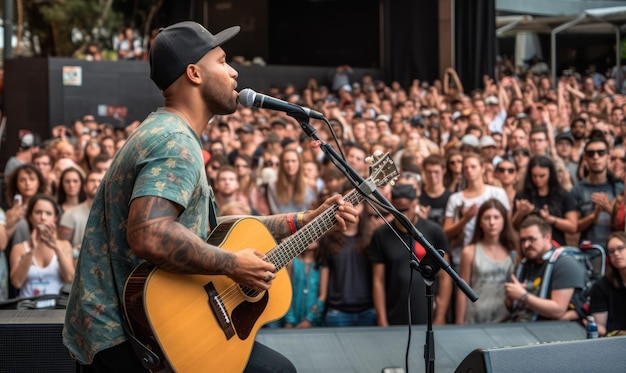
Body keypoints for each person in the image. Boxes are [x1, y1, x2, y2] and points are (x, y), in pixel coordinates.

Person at [62, 21, 357, 373]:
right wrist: (232, 265)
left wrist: (302, 221)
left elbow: (213, 232)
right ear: (194, 73)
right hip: (131, 338)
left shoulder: (167, 131)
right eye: (222, 61)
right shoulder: (175, 141)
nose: (234, 72)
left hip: (134, 331)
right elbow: (149, 234)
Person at [368, 183, 452, 326]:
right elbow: (378, 280)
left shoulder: (433, 231)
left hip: (427, 314)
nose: (401, 214)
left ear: (415, 205)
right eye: (396, 209)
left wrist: (440, 316)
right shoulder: (381, 235)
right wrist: (382, 319)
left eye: (405, 209)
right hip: (394, 313)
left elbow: (445, 277)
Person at [505, 215, 586, 322]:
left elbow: (558, 310)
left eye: (532, 239)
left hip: (557, 330)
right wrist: (511, 297)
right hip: (523, 325)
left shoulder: (564, 263)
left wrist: (523, 296)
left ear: (547, 238)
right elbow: (511, 307)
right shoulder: (523, 265)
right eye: (523, 240)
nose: (526, 245)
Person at [456, 199, 517, 324]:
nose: (492, 222)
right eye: (487, 218)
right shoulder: (469, 252)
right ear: (480, 222)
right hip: (475, 318)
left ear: (504, 221)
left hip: (505, 319)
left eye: (496, 217)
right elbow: (462, 291)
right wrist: (459, 322)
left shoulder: (513, 251)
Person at [9, 194, 74, 309]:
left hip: (56, 310)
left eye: (48, 213)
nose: (43, 217)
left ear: (55, 217)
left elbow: (69, 278)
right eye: (38, 212)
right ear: (30, 216)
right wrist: (31, 250)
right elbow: (17, 283)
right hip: (26, 311)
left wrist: (56, 248)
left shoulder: (64, 245)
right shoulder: (19, 248)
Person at [511, 155, 577, 247]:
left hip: (555, 245)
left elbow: (573, 227)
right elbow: (514, 226)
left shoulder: (563, 195)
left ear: (550, 174)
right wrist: (521, 213)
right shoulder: (522, 196)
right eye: (534, 176)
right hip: (529, 246)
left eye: (542, 176)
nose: (537, 179)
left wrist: (551, 219)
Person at [571, 137, 624, 246]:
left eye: (601, 153)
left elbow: (623, 223)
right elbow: (573, 228)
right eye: (591, 154)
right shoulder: (577, 189)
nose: (596, 157)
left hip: (616, 251)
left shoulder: (619, 187)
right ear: (585, 158)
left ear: (608, 157)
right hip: (588, 251)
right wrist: (593, 216)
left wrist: (609, 208)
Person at [589, 232, 626, 336]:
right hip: (614, 341)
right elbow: (600, 327)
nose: (616, 254)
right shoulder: (601, 286)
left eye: (620, 248)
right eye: (611, 251)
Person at [58, 170, 104, 250]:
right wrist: (74, 251)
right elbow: (62, 247)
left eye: (100, 181)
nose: (96, 184)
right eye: (92, 181)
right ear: (84, 187)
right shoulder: (70, 214)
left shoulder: (113, 213)